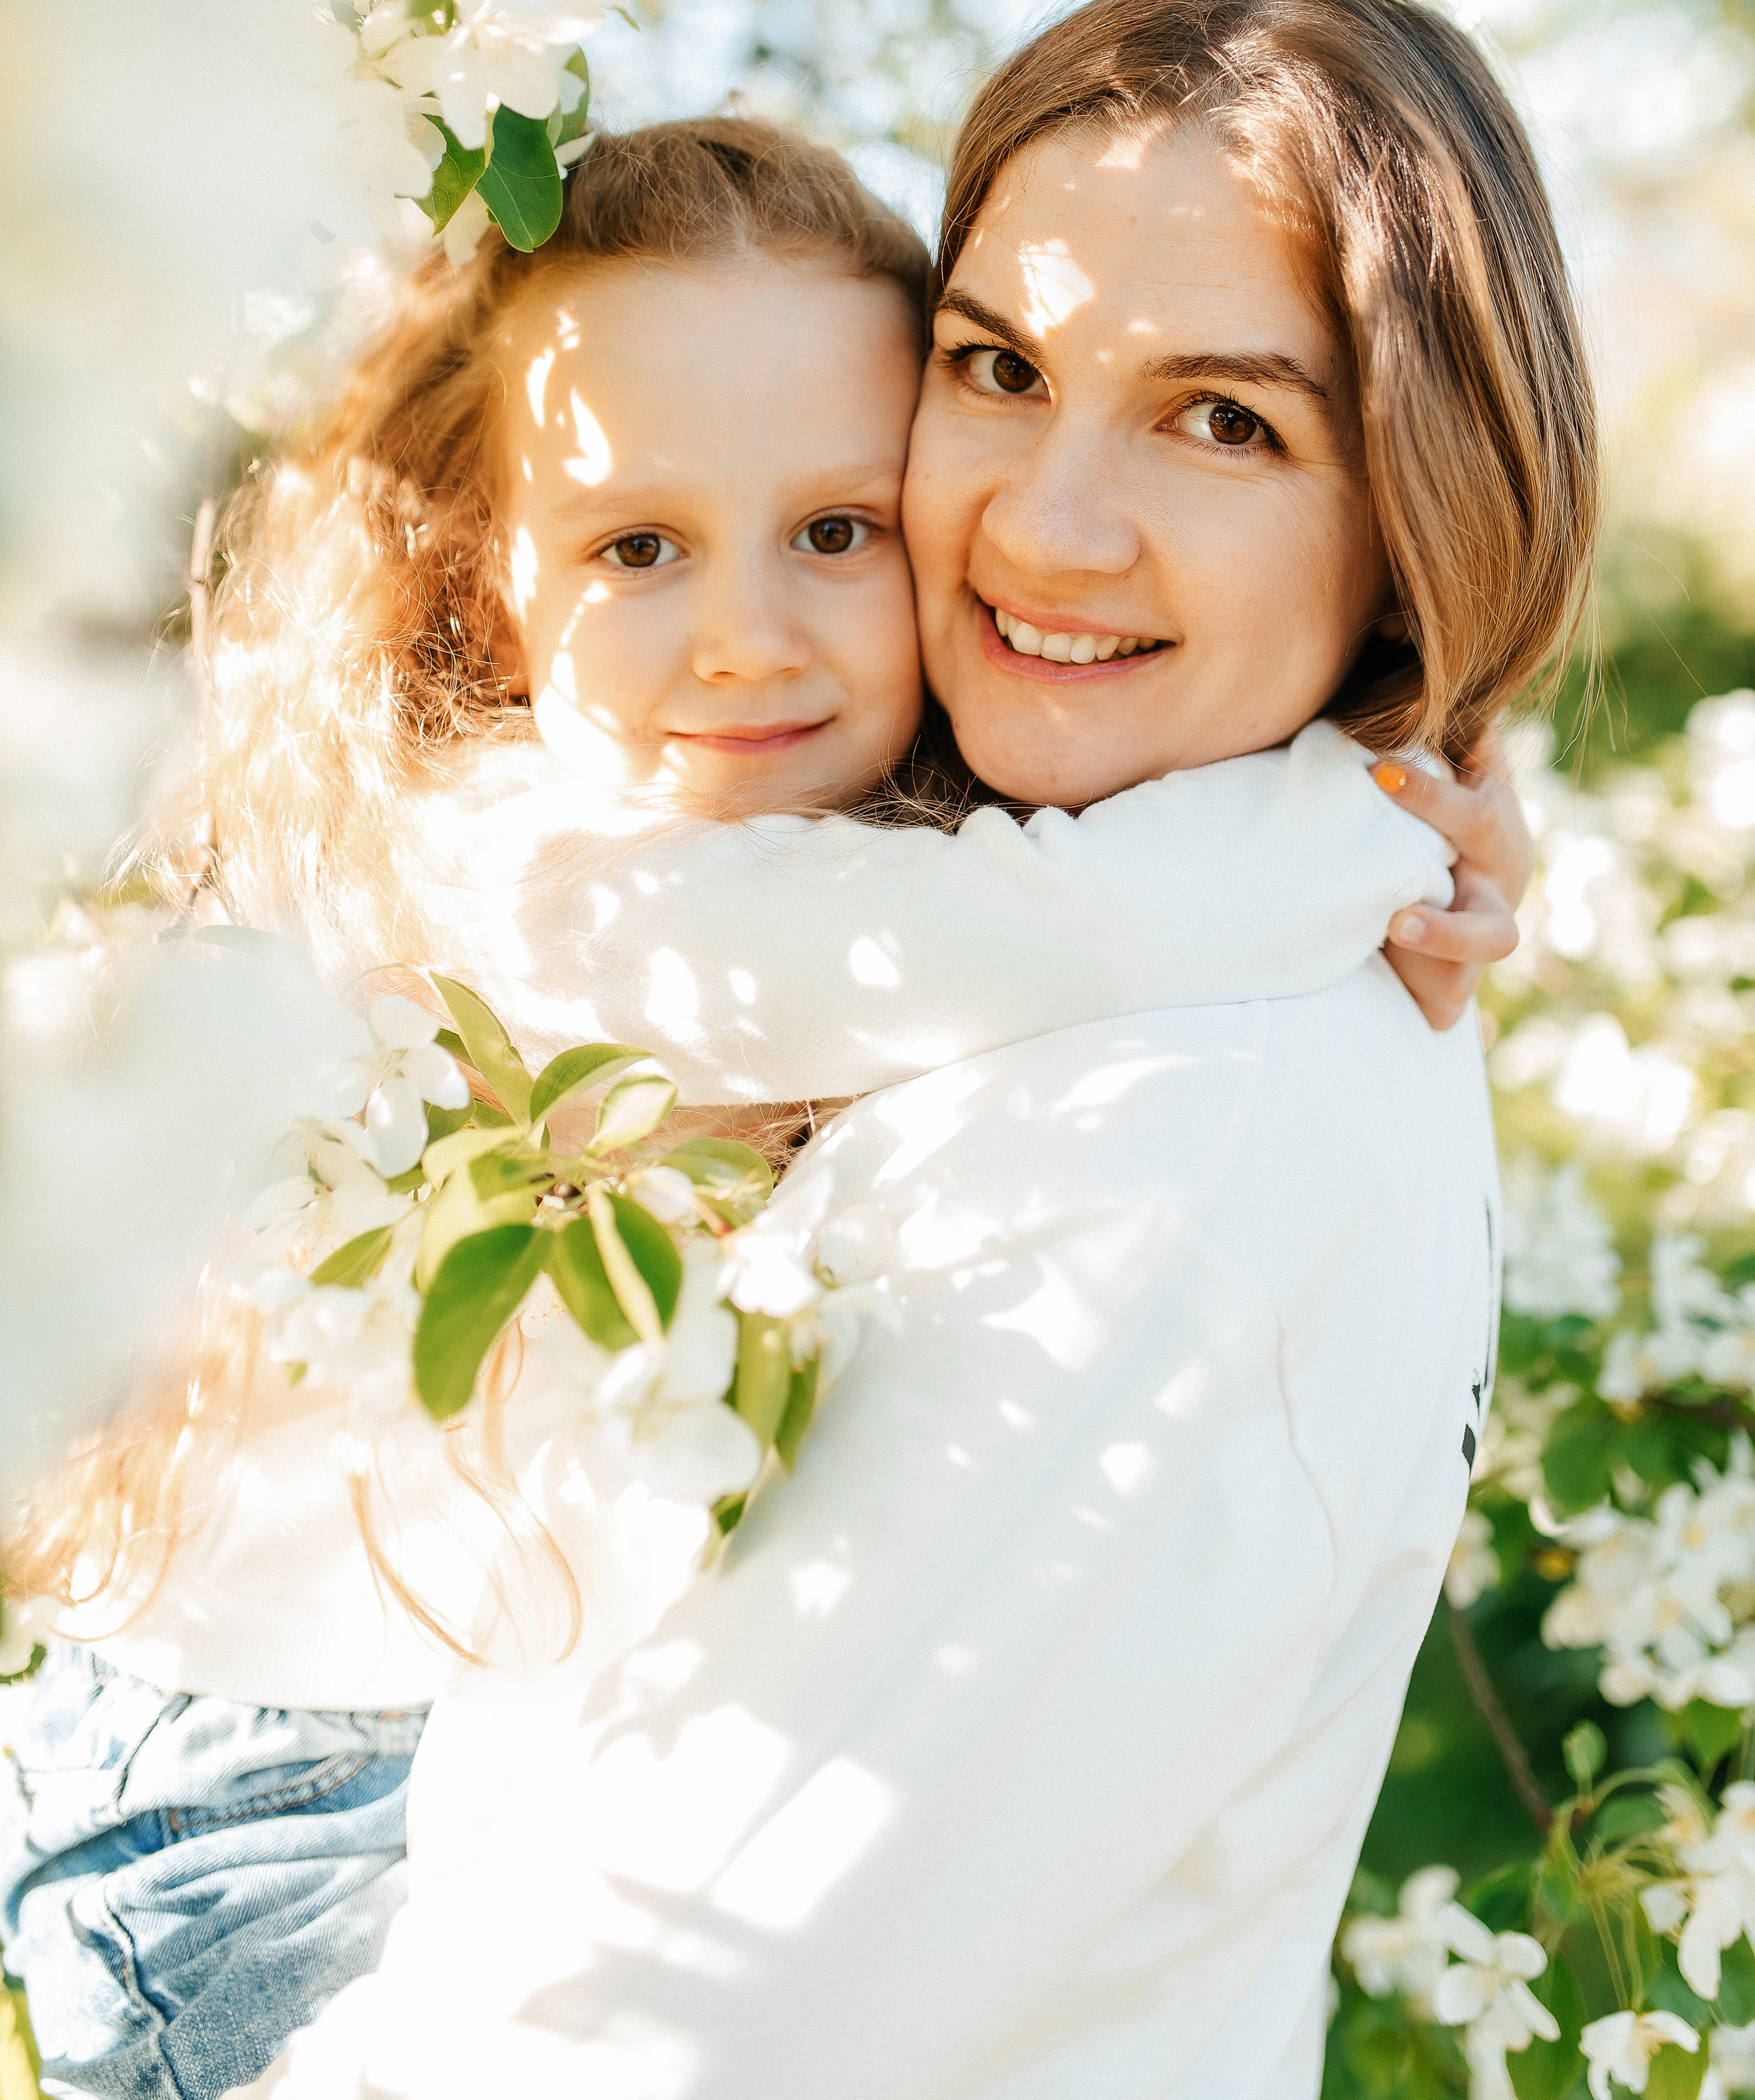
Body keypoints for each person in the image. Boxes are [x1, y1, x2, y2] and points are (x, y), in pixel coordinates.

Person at [0, 106, 1503, 2100]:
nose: (749, 638)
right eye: (637, 548)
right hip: (245, 1807)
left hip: (440, 1734)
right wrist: (1363, 819)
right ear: (488, 590)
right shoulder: (501, 862)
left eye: (837, 531)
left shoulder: (830, 821)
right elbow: (1011, 941)